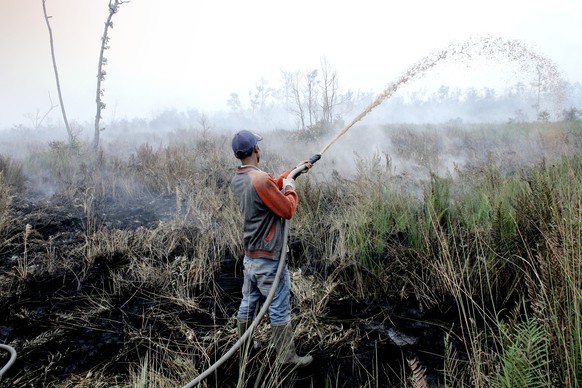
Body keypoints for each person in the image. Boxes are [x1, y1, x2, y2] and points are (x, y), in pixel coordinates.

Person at [230, 129, 313, 367]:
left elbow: (268, 186)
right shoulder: (259, 179)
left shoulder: (240, 178)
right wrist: (290, 189)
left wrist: (294, 171)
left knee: (248, 302)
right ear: (256, 149)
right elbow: (287, 209)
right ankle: (287, 357)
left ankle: (244, 346)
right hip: (269, 259)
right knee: (278, 307)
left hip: (251, 257)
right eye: (258, 145)